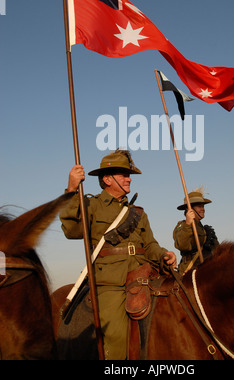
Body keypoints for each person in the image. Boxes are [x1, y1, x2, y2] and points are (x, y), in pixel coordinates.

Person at [60, 149, 176, 360]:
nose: (129, 179)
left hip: (143, 275)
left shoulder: (139, 213)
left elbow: (150, 244)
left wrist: (163, 255)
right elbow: (71, 230)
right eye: (123, 174)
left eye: (128, 174)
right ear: (107, 179)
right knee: (115, 335)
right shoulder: (91, 205)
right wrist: (71, 190)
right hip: (111, 282)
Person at [173, 187, 219, 275]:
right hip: (190, 271)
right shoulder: (182, 226)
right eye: (199, 206)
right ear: (189, 209)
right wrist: (188, 224)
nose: (203, 209)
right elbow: (183, 245)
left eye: (203, 206)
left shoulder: (206, 230)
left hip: (206, 269)